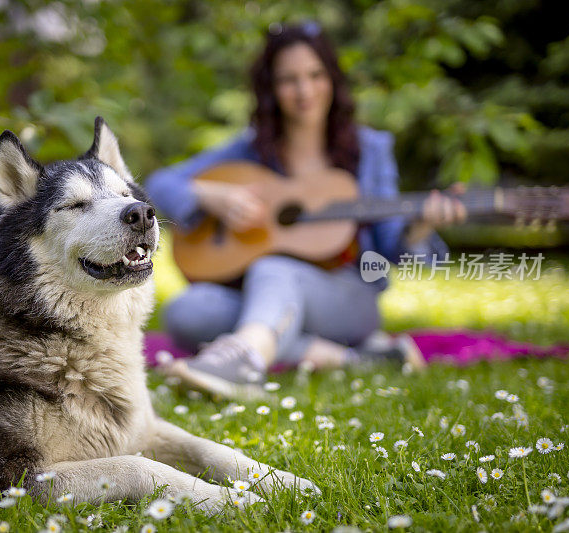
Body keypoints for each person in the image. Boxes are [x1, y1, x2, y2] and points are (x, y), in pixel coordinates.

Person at [145, 21, 466, 392]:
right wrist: (214, 197)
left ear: (332, 79)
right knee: (186, 312)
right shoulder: (251, 148)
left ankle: (245, 362)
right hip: (262, 292)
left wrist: (421, 228)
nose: (304, 90)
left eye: (316, 75)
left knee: (274, 269)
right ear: (271, 89)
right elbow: (160, 184)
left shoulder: (371, 150)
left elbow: (392, 245)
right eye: (288, 80)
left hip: (348, 296)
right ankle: (347, 358)